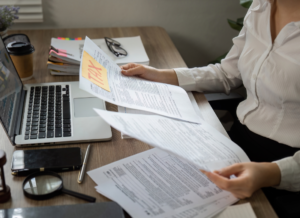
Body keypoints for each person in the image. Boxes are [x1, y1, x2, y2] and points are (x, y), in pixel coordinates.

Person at [120, 0, 300, 215]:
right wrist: (163, 75)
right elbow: (228, 73)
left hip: (287, 167)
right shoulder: (261, 6)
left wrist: (272, 173)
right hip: (236, 143)